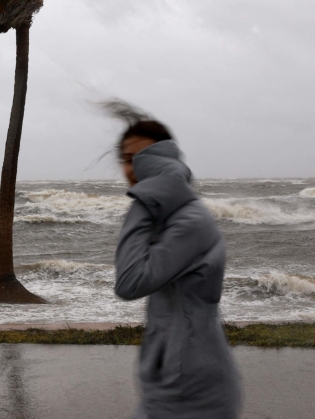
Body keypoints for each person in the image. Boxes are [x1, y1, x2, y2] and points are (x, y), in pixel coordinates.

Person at [113, 116, 241, 419]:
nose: (131, 170)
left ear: (163, 164)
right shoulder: (167, 216)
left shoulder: (190, 221)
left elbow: (129, 283)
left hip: (193, 386)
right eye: (126, 159)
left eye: (141, 160)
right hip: (168, 379)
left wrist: (143, 201)